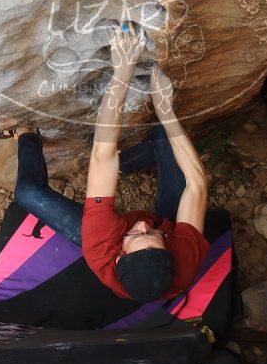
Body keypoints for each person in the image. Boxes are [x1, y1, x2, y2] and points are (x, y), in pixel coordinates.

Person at [11, 22, 209, 303]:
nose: (142, 225)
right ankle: (128, 164)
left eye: (137, 237)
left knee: (26, 192)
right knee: (167, 134)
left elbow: (103, 155)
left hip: (110, 234)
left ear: (119, 256)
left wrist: (123, 73)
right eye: (154, 235)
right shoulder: (183, 260)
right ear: (168, 250)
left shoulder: (102, 247)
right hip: (169, 223)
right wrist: (165, 109)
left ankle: (26, 135)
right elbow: (197, 184)